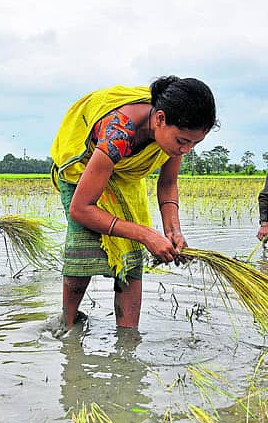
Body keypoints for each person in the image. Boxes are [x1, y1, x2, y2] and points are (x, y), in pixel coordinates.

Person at [50, 76, 217, 331]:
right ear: (159, 119)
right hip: (83, 171)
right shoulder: (119, 131)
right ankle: (66, 325)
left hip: (124, 176)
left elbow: (167, 184)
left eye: (195, 143)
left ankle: (128, 340)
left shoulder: (171, 141)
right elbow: (81, 209)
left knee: (131, 260)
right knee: (81, 250)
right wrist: (146, 234)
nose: (187, 150)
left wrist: (173, 230)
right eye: (183, 141)